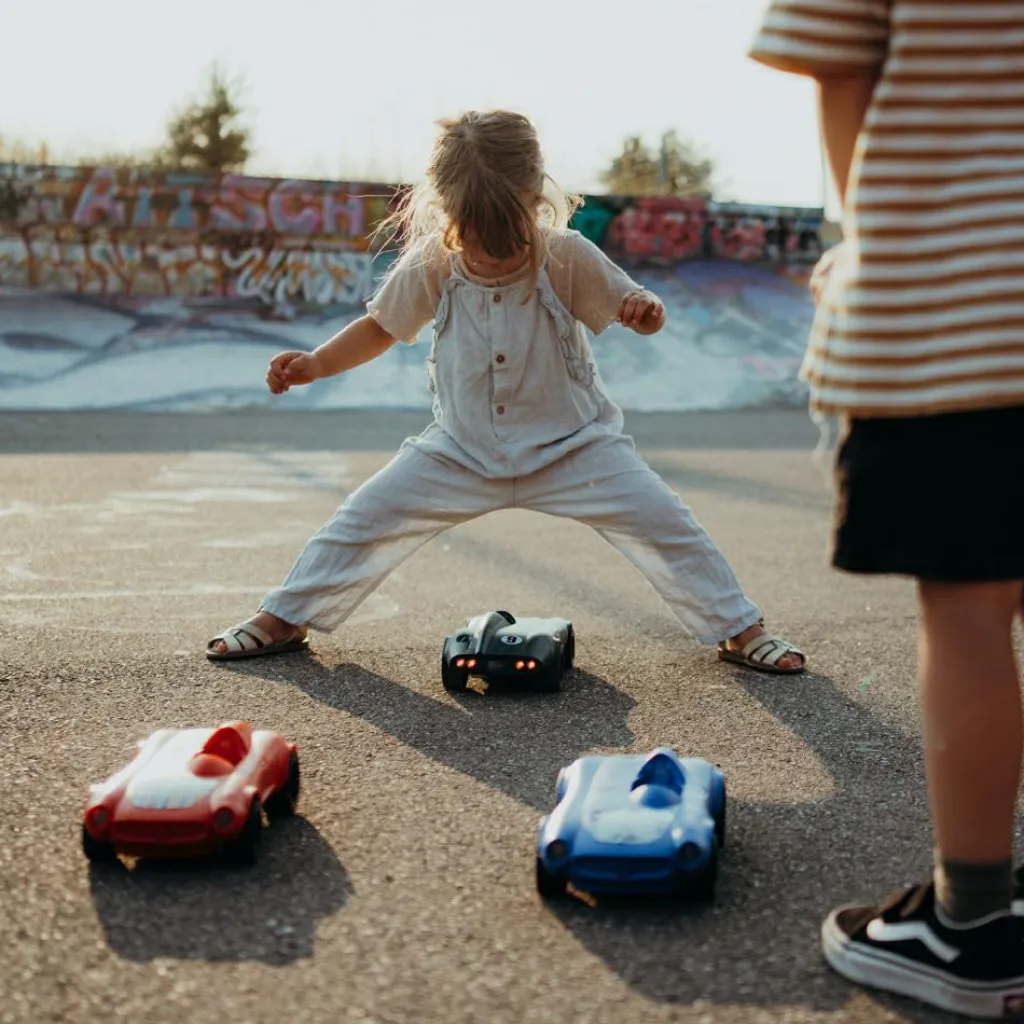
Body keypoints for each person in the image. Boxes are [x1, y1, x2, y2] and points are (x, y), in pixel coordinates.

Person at [206, 110, 805, 678]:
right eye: (474, 228)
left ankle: (738, 627)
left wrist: (643, 313)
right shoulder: (434, 262)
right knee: (362, 519)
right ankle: (284, 617)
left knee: (667, 524)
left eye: (504, 226)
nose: (489, 244)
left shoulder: (564, 253)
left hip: (577, 448)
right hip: (459, 450)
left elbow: (634, 307)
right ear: (445, 206)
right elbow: (380, 327)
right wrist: (314, 363)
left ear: (534, 194)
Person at [749, 2, 1024, 1017]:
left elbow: (838, 69)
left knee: (969, 608)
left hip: (970, 311)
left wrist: (879, 237)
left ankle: (973, 924)